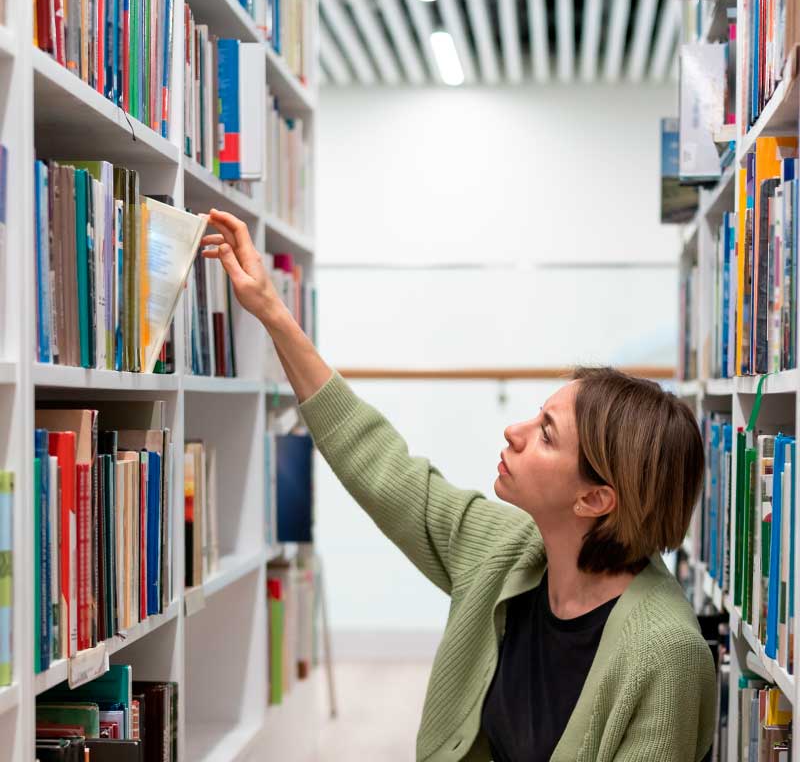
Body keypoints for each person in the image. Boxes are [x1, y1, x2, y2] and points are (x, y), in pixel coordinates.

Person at [201, 209, 716, 762]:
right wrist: (272, 311)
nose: (513, 432)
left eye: (545, 435)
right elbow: (383, 467)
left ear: (594, 498)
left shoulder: (666, 652)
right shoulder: (507, 548)